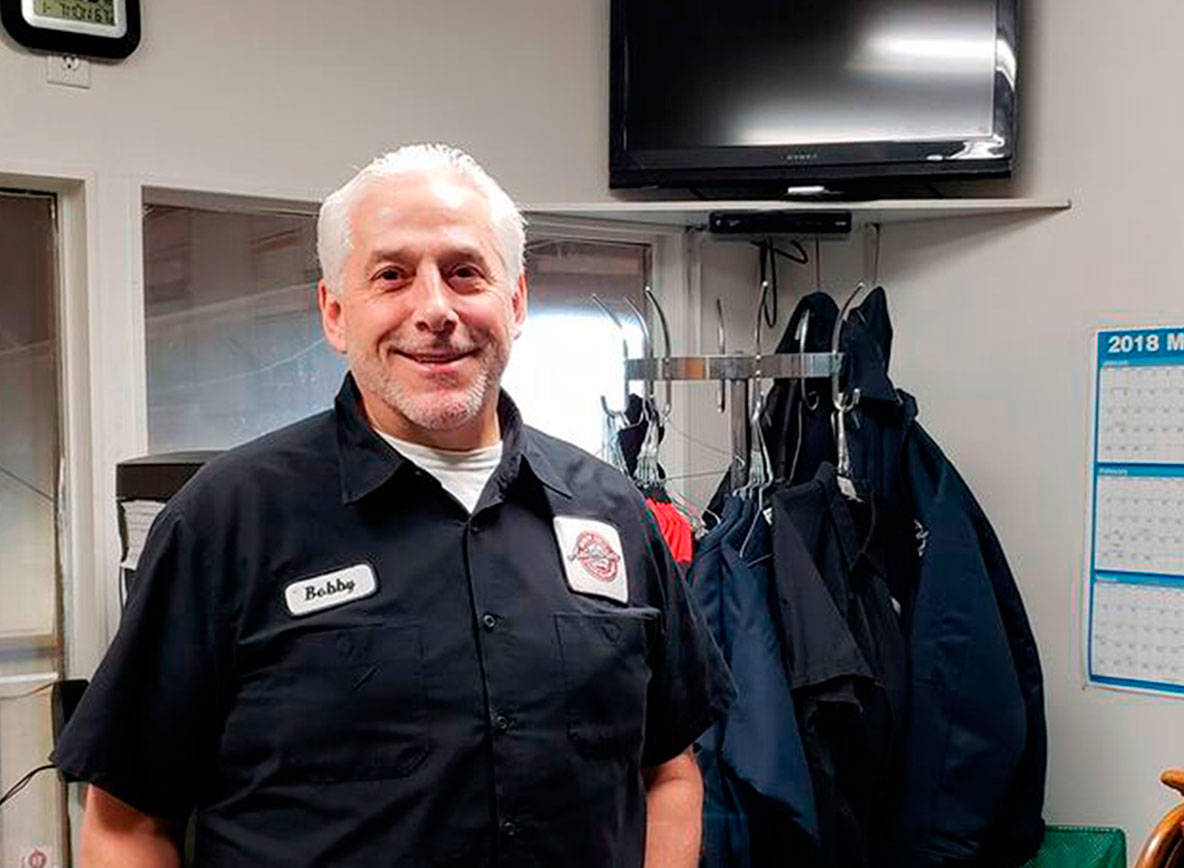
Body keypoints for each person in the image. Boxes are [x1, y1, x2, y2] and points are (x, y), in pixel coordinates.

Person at [53, 143, 733, 867]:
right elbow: (126, 824)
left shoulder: (613, 513)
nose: (435, 309)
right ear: (335, 313)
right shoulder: (225, 522)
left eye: (465, 272)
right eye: (392, 276)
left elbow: (668, 770)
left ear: (515, 302)